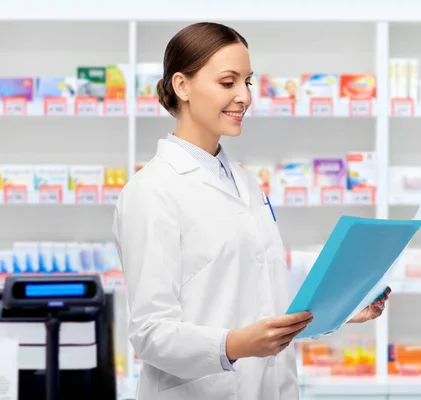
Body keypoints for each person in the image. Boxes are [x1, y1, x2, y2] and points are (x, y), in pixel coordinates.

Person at [112, 22, 390, 400]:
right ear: (182, 86)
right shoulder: (151, 192)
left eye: (248, 81)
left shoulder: (244, 182)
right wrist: (234, 345)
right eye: (228, 82)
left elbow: (258, 289)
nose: (243, 96)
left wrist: (337, 308)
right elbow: (150, 333)